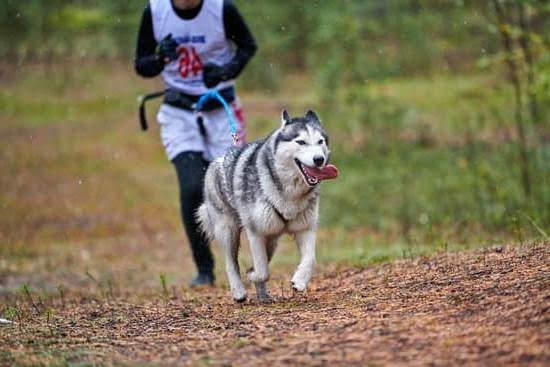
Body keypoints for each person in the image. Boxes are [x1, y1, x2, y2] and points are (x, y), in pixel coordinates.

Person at [134, 0, 257, 287]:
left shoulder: (222, 9)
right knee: (192, 187)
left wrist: (227, 70)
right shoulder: (154, 12)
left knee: (234, 190)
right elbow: (141, 65)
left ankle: (248, 261)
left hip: (221, 110)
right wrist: (160, 59)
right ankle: (204, 269)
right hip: (179, 112)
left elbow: (248, 46)